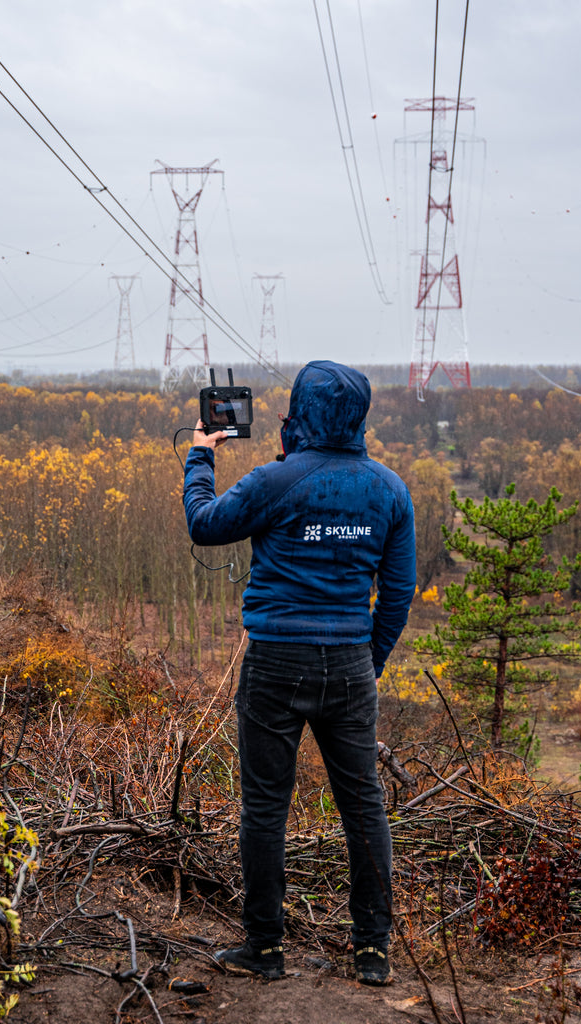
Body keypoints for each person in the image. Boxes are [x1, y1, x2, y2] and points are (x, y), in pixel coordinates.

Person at [183, 360, 416, 985]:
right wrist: (367, 663)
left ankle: (265, 949)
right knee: (364, 805)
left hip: (275, 664)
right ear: (360, 415)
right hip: (348, 664)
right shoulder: (390, 491)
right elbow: (397, 592)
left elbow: (205, 526)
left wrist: (201, 458)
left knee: (264, 808)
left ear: (299, 415)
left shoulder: (276, 479)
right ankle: (372, 952)